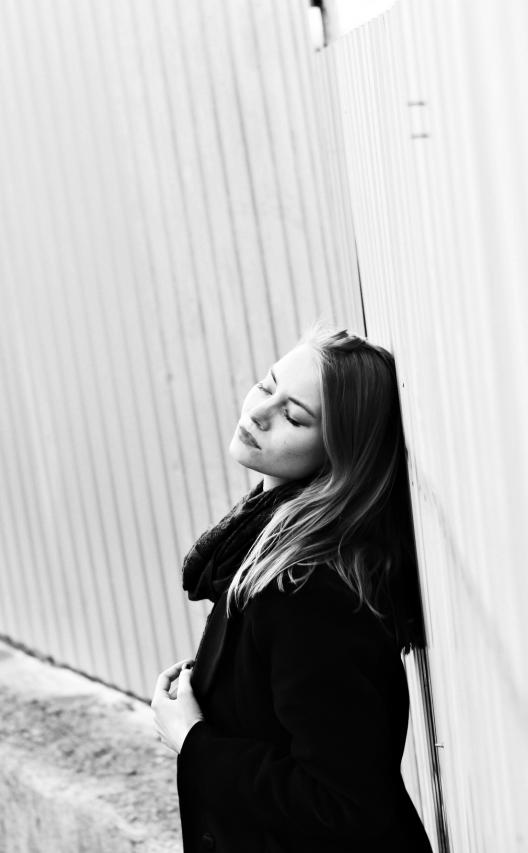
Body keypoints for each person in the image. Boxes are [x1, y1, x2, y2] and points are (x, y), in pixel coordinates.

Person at [151, 324, 434, 853]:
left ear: (339, 453)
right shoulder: (260, 548)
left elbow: (345, 803)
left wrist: (193, 741)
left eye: (294, 417)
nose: (259, 412)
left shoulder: (308, 587)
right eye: (267, 386)